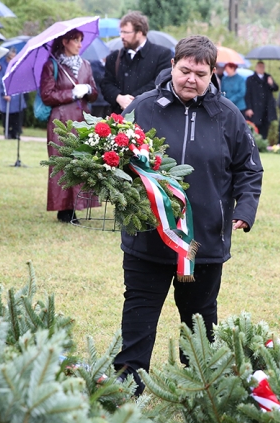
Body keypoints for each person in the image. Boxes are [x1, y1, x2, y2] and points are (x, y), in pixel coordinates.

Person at [113, 35, 263, 396]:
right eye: (184, 70)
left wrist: (244, 210)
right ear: (173, 66)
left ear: (213, 73)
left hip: (203, 243)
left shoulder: (228, 116)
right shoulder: (143, 107)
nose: (190, 79)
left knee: (199, 326)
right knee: (138, 318)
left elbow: (249, 169)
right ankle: (125, 392)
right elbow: (115, 158)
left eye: (200, 73)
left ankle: (201, 395)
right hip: (147, 238)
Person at [40, 28, 99, 223]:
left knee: (81, 161)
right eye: (75, 40)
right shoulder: (51, 66)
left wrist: (89, 89)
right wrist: (71, 94)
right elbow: (47, 96)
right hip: (61, 120)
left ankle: (79, 205)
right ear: (65, 42)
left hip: (83, 119)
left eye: (81, 40)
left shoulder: (86, 65)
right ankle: (64, 209)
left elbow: (94, 93)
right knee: (62, 162)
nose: (79, 45)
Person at [100, 11, 171, 114]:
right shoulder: (114, 56)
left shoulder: (162, 54)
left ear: (139, 33)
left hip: (149, 115)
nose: (122, 36)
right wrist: (118, 97)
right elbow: (106, 84)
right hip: (120, 117)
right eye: (121, 32)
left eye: (126, 32)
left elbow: (160, 83)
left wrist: (134, 101)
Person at [0, 48, 26, 139]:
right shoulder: (2, 66)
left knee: (17, 115)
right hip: (7, 95)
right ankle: (7, 132)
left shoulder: (18, 65)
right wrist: (4, 93)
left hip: (17, 95)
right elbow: (0, 80)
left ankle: (16, 132)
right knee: (7, 116)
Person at [244, 61, 278, 140]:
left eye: (262, 67)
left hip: (266, 108)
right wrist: (248, 108)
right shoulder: (250, 79)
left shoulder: (268, 77)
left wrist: (271, 83)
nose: (261, 68)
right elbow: (247, 95)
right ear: (256, 68)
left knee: (265, 127)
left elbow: (275, 88)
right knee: (255, 128)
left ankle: (263, 143)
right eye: (259, 67)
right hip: (255, 107)